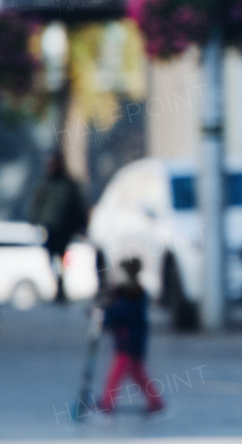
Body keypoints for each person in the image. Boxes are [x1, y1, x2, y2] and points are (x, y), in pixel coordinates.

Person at [97, 257, 164, 414]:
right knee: (138, 374)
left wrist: (108, 313)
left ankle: (107, 402)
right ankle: (155, 401)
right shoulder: (119, 293)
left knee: (116, 374)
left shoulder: (134, 294)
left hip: (130, 342)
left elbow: (122, 313)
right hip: (126, 340)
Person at [29, 152, 89, 301]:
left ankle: (61, 286)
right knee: (51, 256)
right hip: (50, 227)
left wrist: (81, 224)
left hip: (64, 227)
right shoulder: (46, 183)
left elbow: (78, 204)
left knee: (62, 257)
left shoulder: (68, 184)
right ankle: (58, 284)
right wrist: (35, 219)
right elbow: (37, 203)